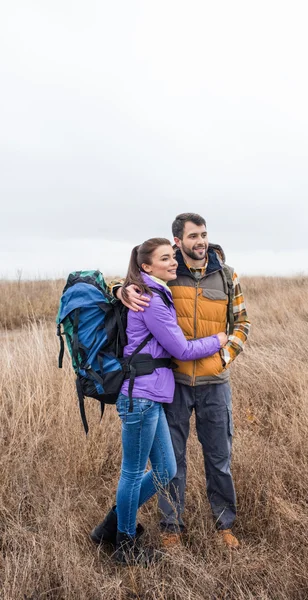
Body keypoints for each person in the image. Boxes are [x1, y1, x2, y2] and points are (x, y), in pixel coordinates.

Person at [90, 238, 228, 566]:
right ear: (146, 267)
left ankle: (109, 527)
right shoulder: (151, 299)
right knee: (133, 471)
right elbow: (181, 349)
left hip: (150, 397)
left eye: (172, 256)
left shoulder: (150, 291)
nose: (173, 262)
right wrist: (218, 339)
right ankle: (124, 543)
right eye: (165, 258)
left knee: (166, 469)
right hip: (140, 398)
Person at [117, 214, 250, 550]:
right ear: (178, 242)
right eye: (193, 236)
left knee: (219, 458)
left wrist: (223, 357)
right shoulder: (168, 274)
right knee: (172, 461)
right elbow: (132, 279)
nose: (200, 242)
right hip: (173, 384)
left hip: (215, 383)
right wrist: (120, 289)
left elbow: (242, 324)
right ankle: (171, 526)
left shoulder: (227, 275)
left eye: (203, 234)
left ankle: (224, 526)